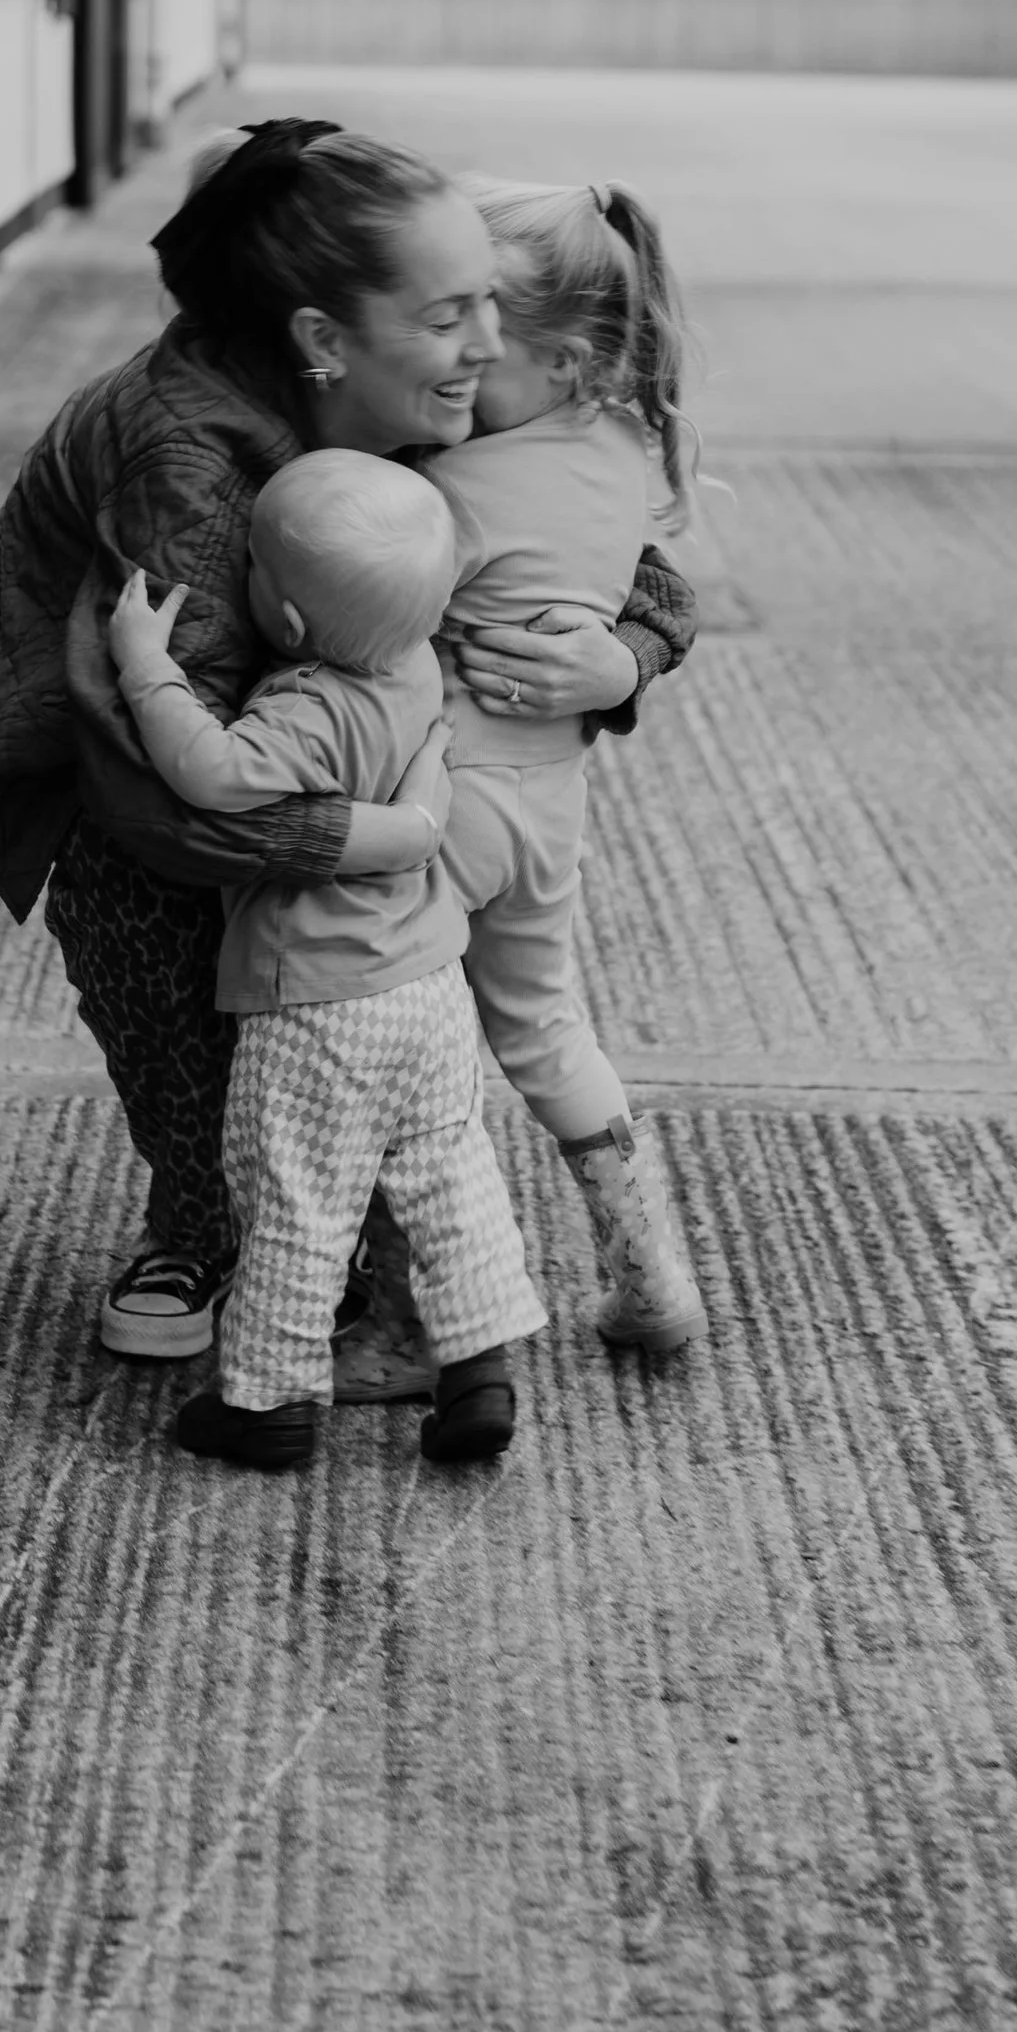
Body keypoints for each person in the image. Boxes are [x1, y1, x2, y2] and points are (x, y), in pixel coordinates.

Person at [0, 118, 697, 1372]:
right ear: (323, 338)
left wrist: (628, 652)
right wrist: (359, 832)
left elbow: (609, 561)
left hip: (334, 751)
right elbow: (152, 764)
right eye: (451, 317)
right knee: (187, 960)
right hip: (118, 725)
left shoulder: (417, 414)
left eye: (485, 313)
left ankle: (343, 1275)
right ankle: (210, 1226)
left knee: (342, 999)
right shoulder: (198, 468)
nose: (481, 347)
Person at [106, 452, 546, 1472]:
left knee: (298, 1194)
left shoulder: (306, 703)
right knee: (449, 1175)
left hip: (320, 1001)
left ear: (289, 624)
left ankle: (266, 1399)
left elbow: (214, 775)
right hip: (431, 987)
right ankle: (478, 1365)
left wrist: (145, 666)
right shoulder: (413, 663)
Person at [434, 178, 707, 1353]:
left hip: (437, 799)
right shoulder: (620, 447)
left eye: (483, 338)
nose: (461, 358)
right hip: (548, 806)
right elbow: (653, 586)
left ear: (568, 360)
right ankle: (648, 1274)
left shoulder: (451, 490)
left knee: (410, 1046)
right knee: (546, 1026)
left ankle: (418, 1312)